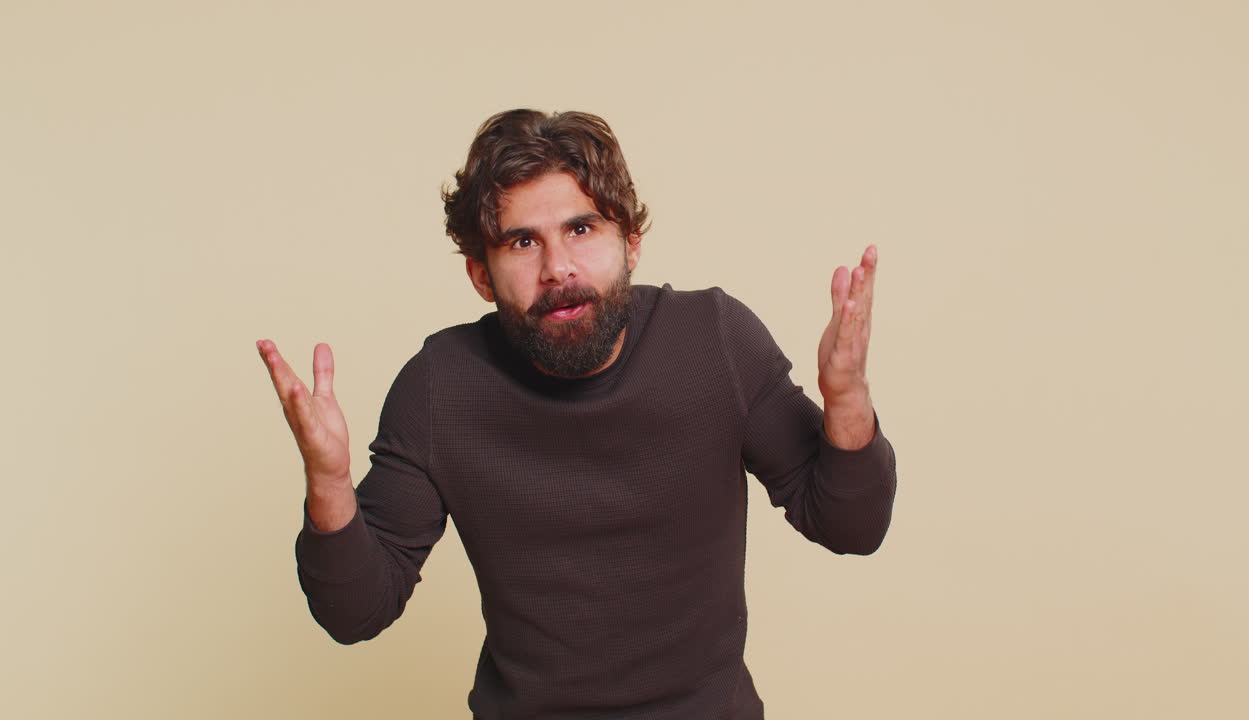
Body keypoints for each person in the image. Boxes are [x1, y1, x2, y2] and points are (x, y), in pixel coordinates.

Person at [256, 109, 896, 719]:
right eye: (522, 241)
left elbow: (851, 526)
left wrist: (846, 399)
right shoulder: (440, 388)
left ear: (631, 242)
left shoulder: (715, 341)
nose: (557, 268)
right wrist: (329, 484)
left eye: (581, 230)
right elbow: (355, 613)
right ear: (481, 276)